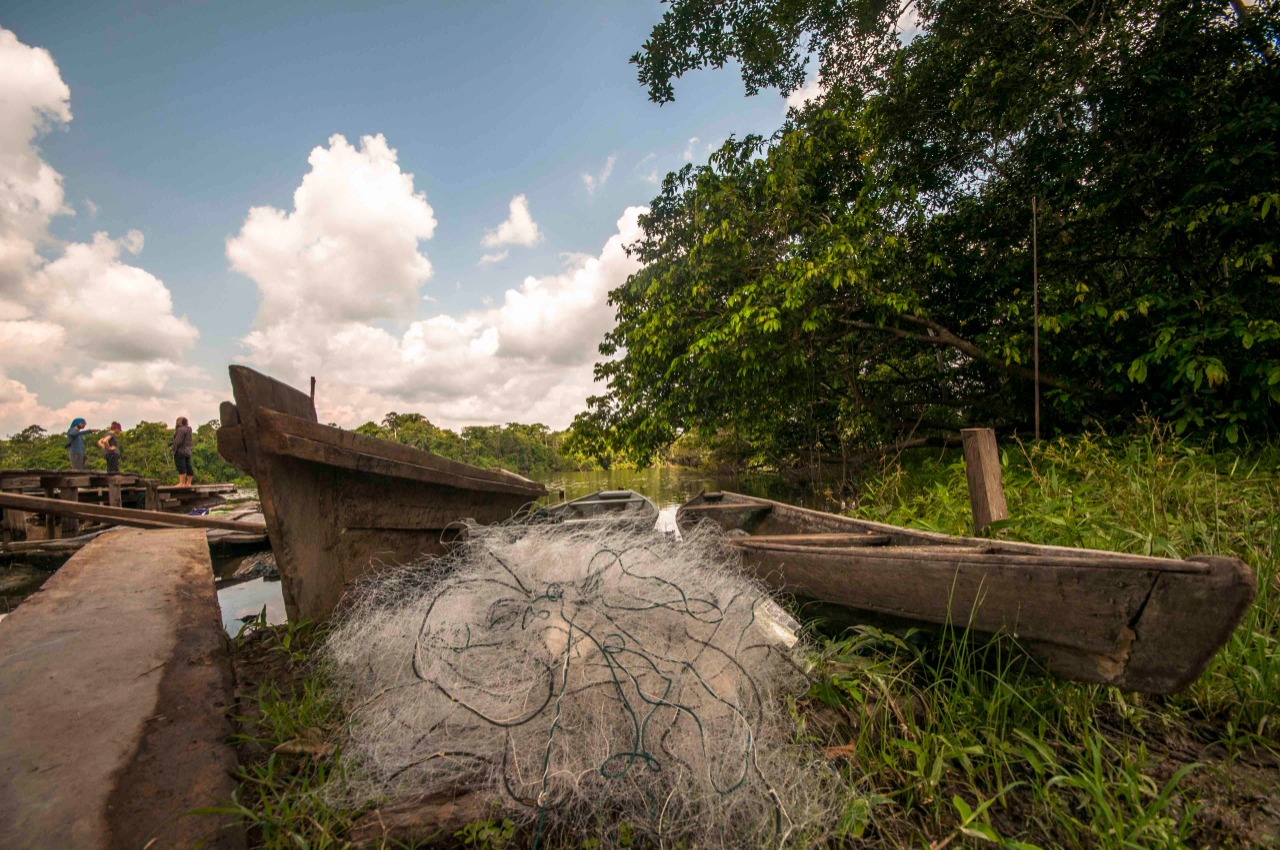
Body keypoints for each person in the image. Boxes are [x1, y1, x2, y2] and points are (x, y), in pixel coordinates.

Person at [170, 416, 195, 486]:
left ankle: (181, 483)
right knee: (188, 466)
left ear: (180, 423)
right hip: (187, 450)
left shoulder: (181, 429)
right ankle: (188, 483)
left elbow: (178, 441)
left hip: (180, 451)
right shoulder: (189, 429)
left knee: (181, 466)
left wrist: (173, 449)